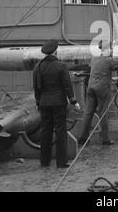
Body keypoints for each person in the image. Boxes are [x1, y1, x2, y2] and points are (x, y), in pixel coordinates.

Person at [33, 39, 80, 168]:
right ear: (55, 51)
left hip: (44, 103)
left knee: (45, 131)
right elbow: (67, 86)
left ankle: (44, 161)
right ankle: (61, 162)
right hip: (59, 103)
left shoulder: (38, 66)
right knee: (60, 132)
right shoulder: (61, 66)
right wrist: (74, 101)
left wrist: (38, 101)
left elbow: (36, 87)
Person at [78, 41, 118, 146]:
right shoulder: (108, 60)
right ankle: (105, 139)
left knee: (88, 113)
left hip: (90, 87)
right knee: (103, 113)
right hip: (102, 89)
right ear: (107, 49)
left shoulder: (94, 58)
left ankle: (82, 139)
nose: (112, 50)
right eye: (111, 48)